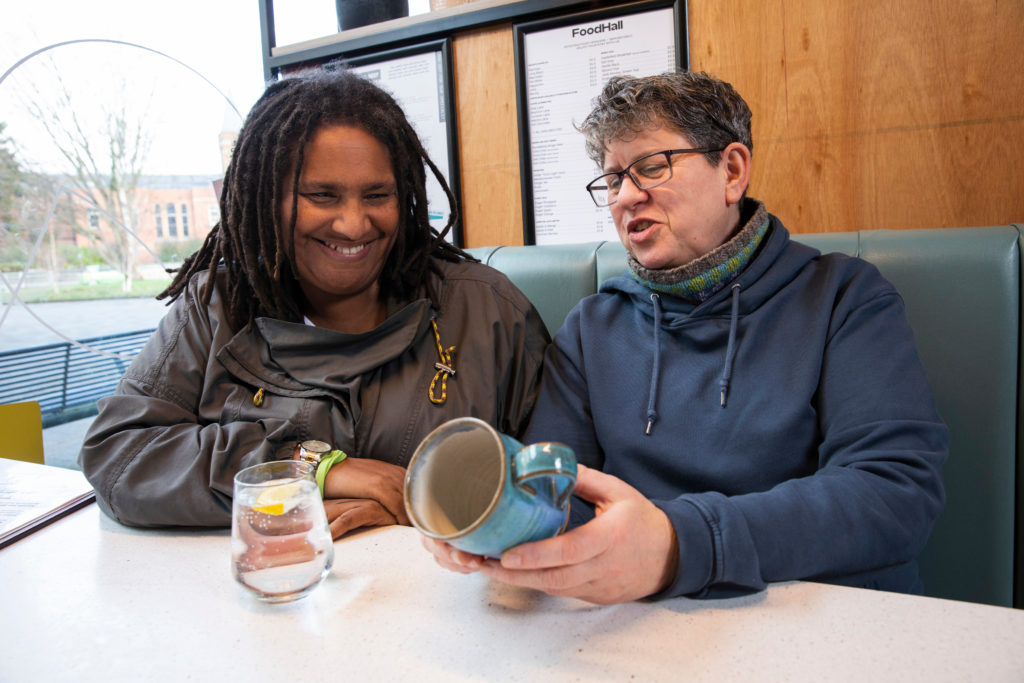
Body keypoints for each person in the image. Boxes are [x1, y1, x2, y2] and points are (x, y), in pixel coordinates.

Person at [422, 71, 948, 603]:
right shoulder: (591, 328)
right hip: (640, 620)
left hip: (814, 612)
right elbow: (559, 495)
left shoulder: (843, 297)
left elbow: (894, 494)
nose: (626, 196)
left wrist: (679, 545)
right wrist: (496, 524)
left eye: (652, 166)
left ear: (732, 171)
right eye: (613, 180)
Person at [79, 68, 549, 538]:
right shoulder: (215, 308)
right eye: (322, 196)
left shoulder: (488, 312)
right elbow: (119, 456)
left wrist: (422, 505)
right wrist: (308, 468)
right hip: (265, 578)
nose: (353, 224)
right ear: (267, 200)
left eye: (377, 195)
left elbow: (555, 488)